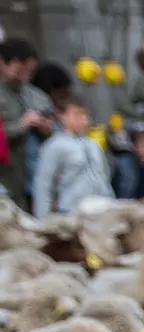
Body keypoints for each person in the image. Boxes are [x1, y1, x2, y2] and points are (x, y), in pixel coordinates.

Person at [33, 94, 112, 215]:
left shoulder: (93, 145)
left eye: (85, 114)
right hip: (71, 211)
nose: (83, 119)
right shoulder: (54, 146)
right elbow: (43, 184)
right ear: (62, 116)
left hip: (102, 208)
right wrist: (43, 220)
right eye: (77, 114)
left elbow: (104, 178)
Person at [0, 39, 51, 206]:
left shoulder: (36, 95)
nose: (25, 75)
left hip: (35, 172)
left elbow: (54, 127)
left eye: (29, 70)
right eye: (20, 69)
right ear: (4, 63)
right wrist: (22, 124)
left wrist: (46, 128)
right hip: (8, 172)